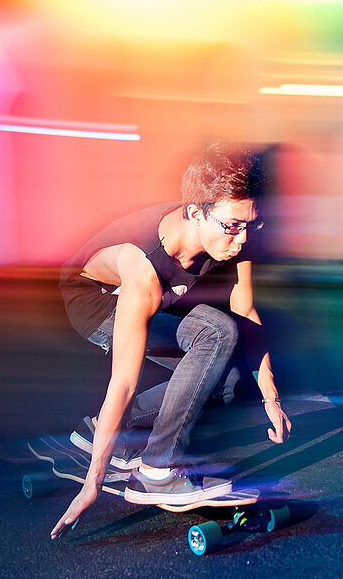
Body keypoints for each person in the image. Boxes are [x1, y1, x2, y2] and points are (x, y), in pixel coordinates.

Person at [51, 142, 291, 540]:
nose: (243, 241)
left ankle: (101, 430)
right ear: (196, 214)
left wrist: (271, 397)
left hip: (160, 294)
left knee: (230, 380)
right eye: (233, 226)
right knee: (216, 333)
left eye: (252, 224)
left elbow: (246, 312)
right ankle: (156, 471)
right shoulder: (142, 267)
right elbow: (123, 383)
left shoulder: (233, 226)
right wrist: (93, 481)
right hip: (94, 300)